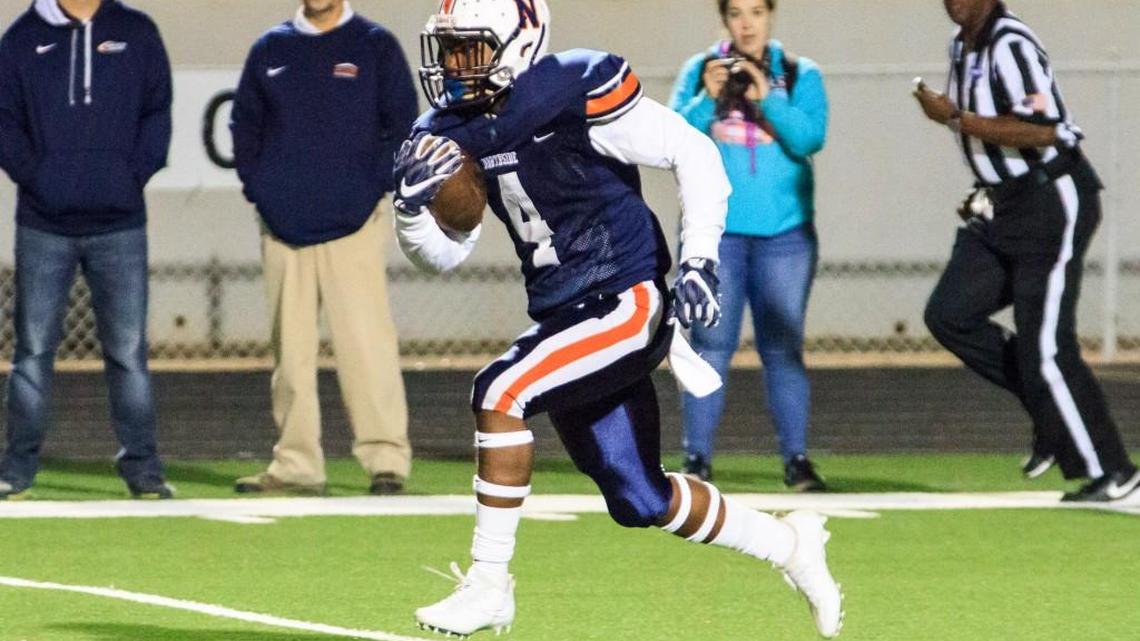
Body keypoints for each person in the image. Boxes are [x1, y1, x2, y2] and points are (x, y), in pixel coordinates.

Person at [393, 0, 843, 638]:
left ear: (519, 43)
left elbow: (695, 153)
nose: (456, 64)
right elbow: (444, 253)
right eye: (450, 48)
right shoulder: (444, 131)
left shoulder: (572, 87)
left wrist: (699, 261)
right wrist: (412, 210)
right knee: (640, 498)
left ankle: (490, 583)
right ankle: (791, 545)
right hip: (563, 314)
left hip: (625, 298)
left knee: (499, 390)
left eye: (471, 46)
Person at [916, 0, 1139, 502]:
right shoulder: (961, 46)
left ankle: (1114, 469)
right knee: (951, 314)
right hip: (1003, 205)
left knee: (1047, 347)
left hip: (1050, 199)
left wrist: (955, 117)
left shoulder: (1010, 44)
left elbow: (1046, 129)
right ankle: (1050, 413)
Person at [230, 0, 418, 496]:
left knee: (366, 347)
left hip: (353, 226)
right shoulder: (270, 48)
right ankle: (296, 465)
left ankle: (386, 461)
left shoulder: (375, 46)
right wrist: (263, 190)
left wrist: (367, 190)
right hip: (282, 228)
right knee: (290, 356)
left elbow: (402, 127)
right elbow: (244, 128)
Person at [0, 0, 173, 500]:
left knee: (127, 353)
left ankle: (143, 470)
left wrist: (129, 178)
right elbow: (5, 122)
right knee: (32, 352)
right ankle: (17, 468)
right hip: (42, 225)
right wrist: (39, 179)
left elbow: (156, 113)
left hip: (120, 224)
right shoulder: (21, 38)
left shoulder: (137, 32)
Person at [669, 0, 828, 490]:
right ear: (724, 19)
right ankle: (697, 460)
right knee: (709, 346)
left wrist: (767, 97)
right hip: (717, 235)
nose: (746, 22)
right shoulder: (700, 71)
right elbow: (670, 137)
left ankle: (796, 461)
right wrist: (705, 100)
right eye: (736, 12)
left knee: (783, 348)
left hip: (785, 236)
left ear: (770, 16)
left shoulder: (800, 73)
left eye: (757, 11)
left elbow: (809, 139)